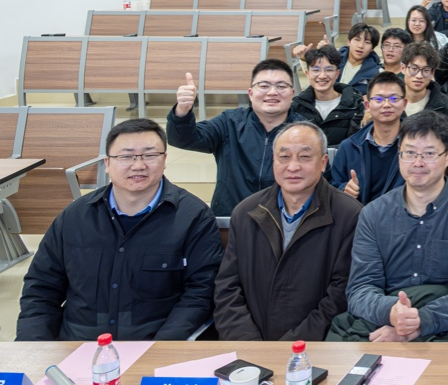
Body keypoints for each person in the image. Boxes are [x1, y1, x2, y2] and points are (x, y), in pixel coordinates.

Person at [17, 119, 221, 341]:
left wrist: (160, 349)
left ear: (164, 160)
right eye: (126, 156)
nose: (138, 165)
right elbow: (41, 288)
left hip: (152, 343)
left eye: (150, 155)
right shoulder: (74, 217)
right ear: (107, 162)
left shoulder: (193, 217)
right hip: (77, 344)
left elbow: (200, 293)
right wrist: (33, 347)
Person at [340, 111, 448, 342]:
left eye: (429, 154)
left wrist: (419, 323)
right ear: (399, 154)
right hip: (383, 322)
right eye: (410, 153)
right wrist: (393, 313)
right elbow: (360, 289)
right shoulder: (373, 214)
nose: (418, 163)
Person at [214, 122, 362, 340]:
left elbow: (341, 295)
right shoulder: (246, 212)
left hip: (315, 348)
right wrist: (248, 343)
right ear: (273, 161)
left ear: (323, 163)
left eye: (305, 157)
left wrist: (289, 347)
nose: (293, 167)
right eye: (284, 157)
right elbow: (227, 287)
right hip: (249, 348)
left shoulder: (349, 215)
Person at [167, 59, 303, 216]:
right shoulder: (229, 122)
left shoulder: (304, 131)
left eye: (281, 86)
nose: (272, 92)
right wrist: (182, 111)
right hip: (232, 217)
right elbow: (184, 139)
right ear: (250, 93)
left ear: (292, 93)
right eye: (264, 86)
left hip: (287, 219)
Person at [332, 72, 408, 206]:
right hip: (359, 216)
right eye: (378, 99)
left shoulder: (416, 147)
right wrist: (344, 190)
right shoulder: (349, 147)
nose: (386, 105)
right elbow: (332, 190)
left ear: (404, 104)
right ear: (367, 105)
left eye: (394, 99)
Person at [291, 44, 364, 147]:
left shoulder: (355, 105)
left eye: (329, 70)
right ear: (307, 73)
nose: (322, 76)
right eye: (316, 70)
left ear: (337, 74)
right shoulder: (296, 107)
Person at [400, 42, 448, 120]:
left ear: (432, 73)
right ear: (403, 68)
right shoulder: (390, 100)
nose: (419, 76)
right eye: (414, 68)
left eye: (426, 70)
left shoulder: (447, 106)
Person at [336, 23, 384, 95]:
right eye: (357, 39)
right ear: (349, 41)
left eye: (367, 42)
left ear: (372, 48)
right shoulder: (333, 61)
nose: (361, 46)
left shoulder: (377, 74)